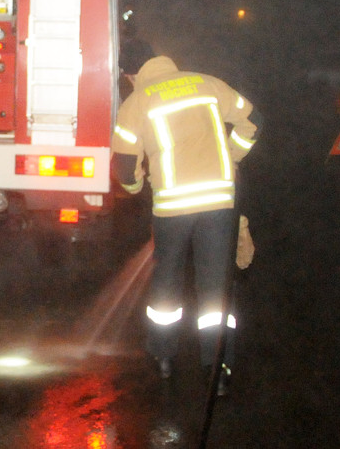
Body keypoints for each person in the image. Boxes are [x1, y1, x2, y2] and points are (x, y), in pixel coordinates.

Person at [111, 40, 261, 396]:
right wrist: (232, 156)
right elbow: (252, 122)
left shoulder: (137, 102)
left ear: (130, 74)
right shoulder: (207, 83)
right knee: (215, 285)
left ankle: (164, 357)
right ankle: (218, 368)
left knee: (167, 280)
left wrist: (135, 188)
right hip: (218, 202)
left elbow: (125, 164)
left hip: (173, 208)